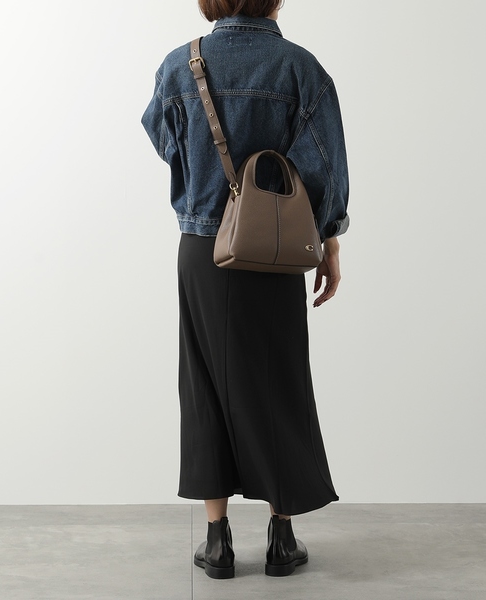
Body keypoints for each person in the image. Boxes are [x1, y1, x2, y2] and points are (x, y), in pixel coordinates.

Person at [141, 0, 349, 580]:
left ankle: (217, 542)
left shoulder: (180, 65)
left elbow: (163, 140)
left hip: (201, 248)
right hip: (274, 248)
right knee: (280, 381)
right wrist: (329, 241)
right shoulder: (300, 69)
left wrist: (206, 180)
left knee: (203, 385)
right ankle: (282, 538)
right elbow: (326, 172)